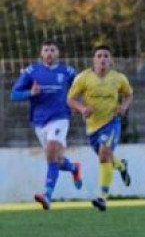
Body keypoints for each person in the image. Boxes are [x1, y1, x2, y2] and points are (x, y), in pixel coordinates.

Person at [9, 41, 82, 210]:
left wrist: (81, 105)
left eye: (52, 50)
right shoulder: (31, 71)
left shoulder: (67, 71)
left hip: (60, 118)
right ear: (41, 54)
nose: (49, 53)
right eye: (46, 50)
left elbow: (82, 87)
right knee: (57, 159)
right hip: (39, 121)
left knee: (50, 156)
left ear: (58, 53)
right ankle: (74, 168)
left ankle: (47, 195)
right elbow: (14, 94)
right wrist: (30, 93)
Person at [67, 45, 133, 211]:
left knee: (104, 155)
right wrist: (82, 109)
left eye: (106, 56)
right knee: (107, 156)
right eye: (99, 56)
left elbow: (129, 94)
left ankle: (102, 197)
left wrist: (123, 107)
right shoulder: (83, 78)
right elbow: (70, 99)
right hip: (92, 127)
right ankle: (122, 166)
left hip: (111, 122)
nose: (102, 59)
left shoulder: (118, 78)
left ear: (111, 60)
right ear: (94, 59)